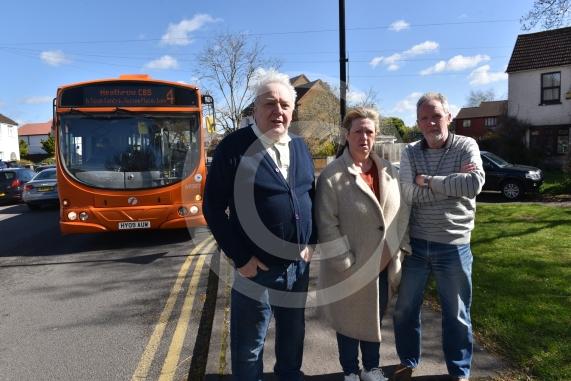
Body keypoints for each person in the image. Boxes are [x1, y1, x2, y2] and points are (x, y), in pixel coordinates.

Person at [203, 69, 315, 381]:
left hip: (298, 268)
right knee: (249, 346)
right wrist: (241, 259)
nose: (278, 111)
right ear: (255, 109)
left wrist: (310, 242)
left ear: (292, 111)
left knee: (293, 337)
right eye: (270, 103)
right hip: (257, 270)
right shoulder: (234, 147)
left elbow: (311, 196)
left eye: (284, 105)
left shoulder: (299, 147)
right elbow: (212, 207)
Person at [392, 92, 485, 381]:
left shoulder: (466, 145)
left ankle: (459, 372)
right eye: (424, 118)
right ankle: (408, 360)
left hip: (455, 246)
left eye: (436, 115)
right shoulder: (410, 152)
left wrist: (428, 181)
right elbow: (408, 192)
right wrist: (450, 185)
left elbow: (473, 184)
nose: (431, 122)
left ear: (449, 117)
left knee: (457, 314)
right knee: (405, 309)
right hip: (416, 245)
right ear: (418, 123)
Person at [316, 108, 410, 381]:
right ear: (347, 135)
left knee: (373, 319)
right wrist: (346, 263)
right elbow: (326, 225)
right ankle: (349, 371)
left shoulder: (389, 171)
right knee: (348, 322)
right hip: (349, 266)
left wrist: (398, 251)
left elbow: (402, 212)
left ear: (376, 135)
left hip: (382, 264)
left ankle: (371, 368)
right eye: (358, 131)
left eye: (369, 132)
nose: (364, 137)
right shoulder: (332, 175)